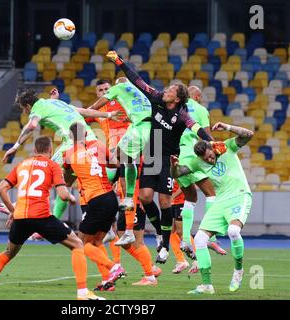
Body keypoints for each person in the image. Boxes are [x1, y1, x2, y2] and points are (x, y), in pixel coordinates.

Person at [105, 51, 213, 263]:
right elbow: (137, 81)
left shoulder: (182, 114)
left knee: (164, 201)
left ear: (178, 97)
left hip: (169, 158)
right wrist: (120, 62)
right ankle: (161, 235)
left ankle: (164, 245)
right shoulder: (157, 98)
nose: (166, 90)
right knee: (145, 198)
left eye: (171, 90)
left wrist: (210, 141)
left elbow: (197, 127)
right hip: (151, 153)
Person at [0, 136, 105, 300]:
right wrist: (71, 198)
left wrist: (12, 211)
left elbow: (1, 188)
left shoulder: (22, 165)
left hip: (21, 217)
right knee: (77, 244)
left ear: (34, 150)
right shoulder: (52, 165)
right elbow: (63, 195)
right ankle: (83, 293)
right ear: (50, 151)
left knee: (8, 252)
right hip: (42, 216)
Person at [3, 88, 122, 226]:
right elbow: (85, 112)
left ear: (28, 106)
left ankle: (20, 204)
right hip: (91, 141)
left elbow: (32, 125)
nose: (25, 112)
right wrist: (109, 114)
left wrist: (15, 146)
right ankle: (53, 223)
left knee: (44, 169)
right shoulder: (57, 104)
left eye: (24, 109)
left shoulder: (37, 109)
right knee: (65, 184)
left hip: (73, 144)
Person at [171, 122, 254, 294]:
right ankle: (207, 285)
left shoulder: (225, 147)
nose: (210, 159)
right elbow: (177, 174)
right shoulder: (196, 163)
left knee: (233, 231)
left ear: (211, 148)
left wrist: (228, 127)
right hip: (220, 201)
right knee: (200, 240)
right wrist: (173, 166)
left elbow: (248, 134)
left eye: (210, 155)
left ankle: (238, 270)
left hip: (239, 195)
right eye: (206, 159)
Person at [86, 77, 153, 246]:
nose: (104, 92)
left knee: (128, 190)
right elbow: (82, 119)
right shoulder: (99, 113)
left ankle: (132, 231)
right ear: (97, 93)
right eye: (101, 90)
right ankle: (109, 228)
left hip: (131, 151)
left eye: (106, 89)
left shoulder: (123, 105)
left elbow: (139, 112)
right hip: (112, 157)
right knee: (101, 186)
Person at [63, 122, 126, 288]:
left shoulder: (69, 154)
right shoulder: (98, 144)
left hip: (96, 200)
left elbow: (67, 179)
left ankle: (114, 267)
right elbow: (115, 164)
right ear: (85, 135)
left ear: (71, 137)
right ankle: (108, 281)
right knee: (97, 243)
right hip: (111, 198)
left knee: (81, 244)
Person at [177, 86, 227, 257]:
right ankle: (209, 234)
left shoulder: (177, 108)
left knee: (190, 199)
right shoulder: (200, 109)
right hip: (193, 155)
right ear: (197, 97)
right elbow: (206, 136)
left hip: (177, 157)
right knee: (211, 194)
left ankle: (184, 239)